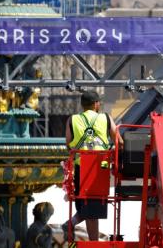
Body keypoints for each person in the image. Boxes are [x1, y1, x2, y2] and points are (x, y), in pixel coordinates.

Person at [64, 90, 118, 241]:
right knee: (94, 205)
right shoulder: (105, 118)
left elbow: (68, 143)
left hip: (81, 168)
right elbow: (118, 139)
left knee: (85, 203)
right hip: (101, 167)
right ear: (96, 104)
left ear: (82, 105)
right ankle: (89, 238)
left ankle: (73, 224)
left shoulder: (72, 119)